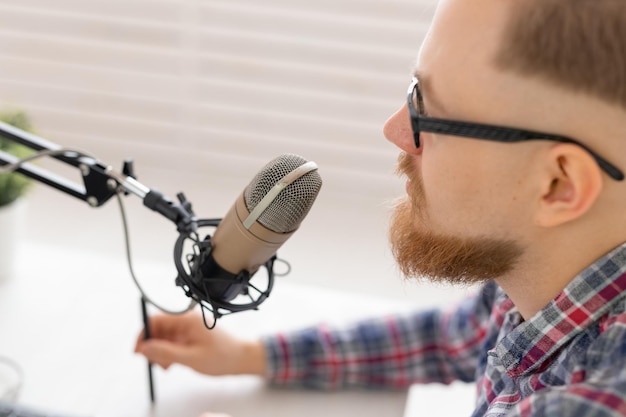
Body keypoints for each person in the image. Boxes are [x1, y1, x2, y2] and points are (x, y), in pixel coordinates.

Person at [135, 0, 626, 415]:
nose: (395, 131)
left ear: (557, 184)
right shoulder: (539, 274)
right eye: (413, 95)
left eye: (429, 113)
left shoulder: (593, 399)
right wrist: (250, 356)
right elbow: (445, 340)